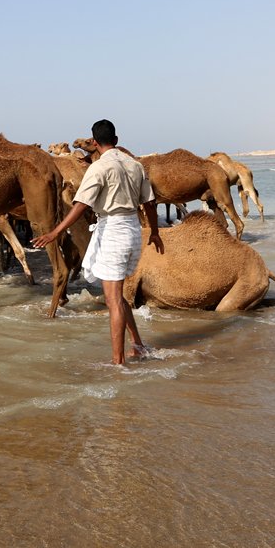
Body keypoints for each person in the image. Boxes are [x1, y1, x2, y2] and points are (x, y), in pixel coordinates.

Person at [32, 119, 164, 365]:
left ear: (93, 143)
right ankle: (138, 345)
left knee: (113, 300)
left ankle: (118, 362)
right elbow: (149, 203)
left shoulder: (99, 167)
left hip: (113, 231)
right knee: (119, 296)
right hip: (133, 231)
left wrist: (54, 232)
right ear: (116, 140)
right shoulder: (135, 166)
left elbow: (81, 205)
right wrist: (155, 232)